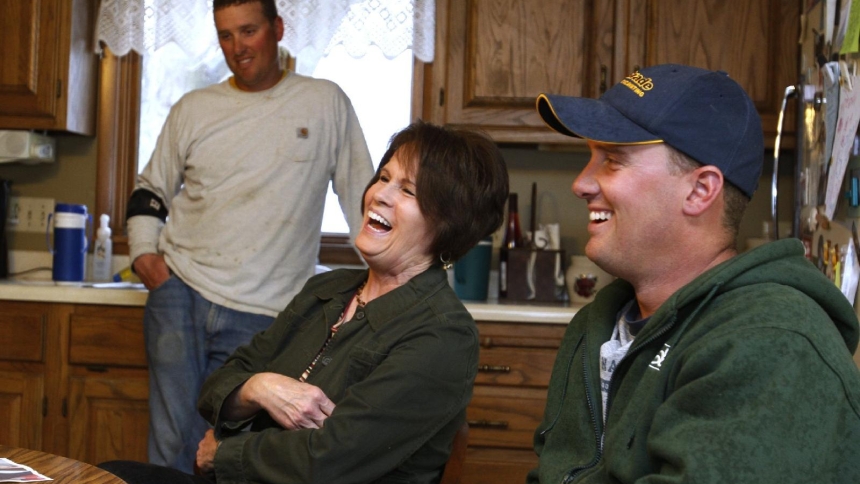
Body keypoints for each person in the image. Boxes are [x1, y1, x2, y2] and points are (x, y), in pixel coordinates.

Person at [99, 120, 510, 483]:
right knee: (107, 473)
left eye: (407, 190)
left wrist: (224, 455)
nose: (379, 195)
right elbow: (217, 388)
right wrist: (259, 387)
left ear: (448, 222)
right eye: (383, 177)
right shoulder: (326, 290)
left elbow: (331, 460)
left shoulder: (442, 335)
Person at [528, 63, 860, 483]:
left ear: (700, 190)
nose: (580, 184)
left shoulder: (772, 342)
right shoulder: (596, 328)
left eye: (612, 160)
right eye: (590, 158)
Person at [125, 0, 375, 472]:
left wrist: (393, 281)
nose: (237, 47)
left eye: (248, 31)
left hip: (267, 313)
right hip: (179, 294)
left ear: (278, 29)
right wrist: (144, 257)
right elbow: (150, 190)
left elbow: (362, 200)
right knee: (170, 441)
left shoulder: (325, 103)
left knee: (231, 452)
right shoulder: (193, 108)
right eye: (225, 35)